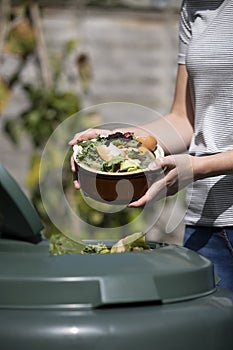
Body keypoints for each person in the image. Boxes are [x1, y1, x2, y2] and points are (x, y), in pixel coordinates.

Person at [69, 0, 233, 291]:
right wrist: (121, 141)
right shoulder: (195, 5)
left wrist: (197, 167)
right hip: (205, 226)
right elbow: (184, 119)